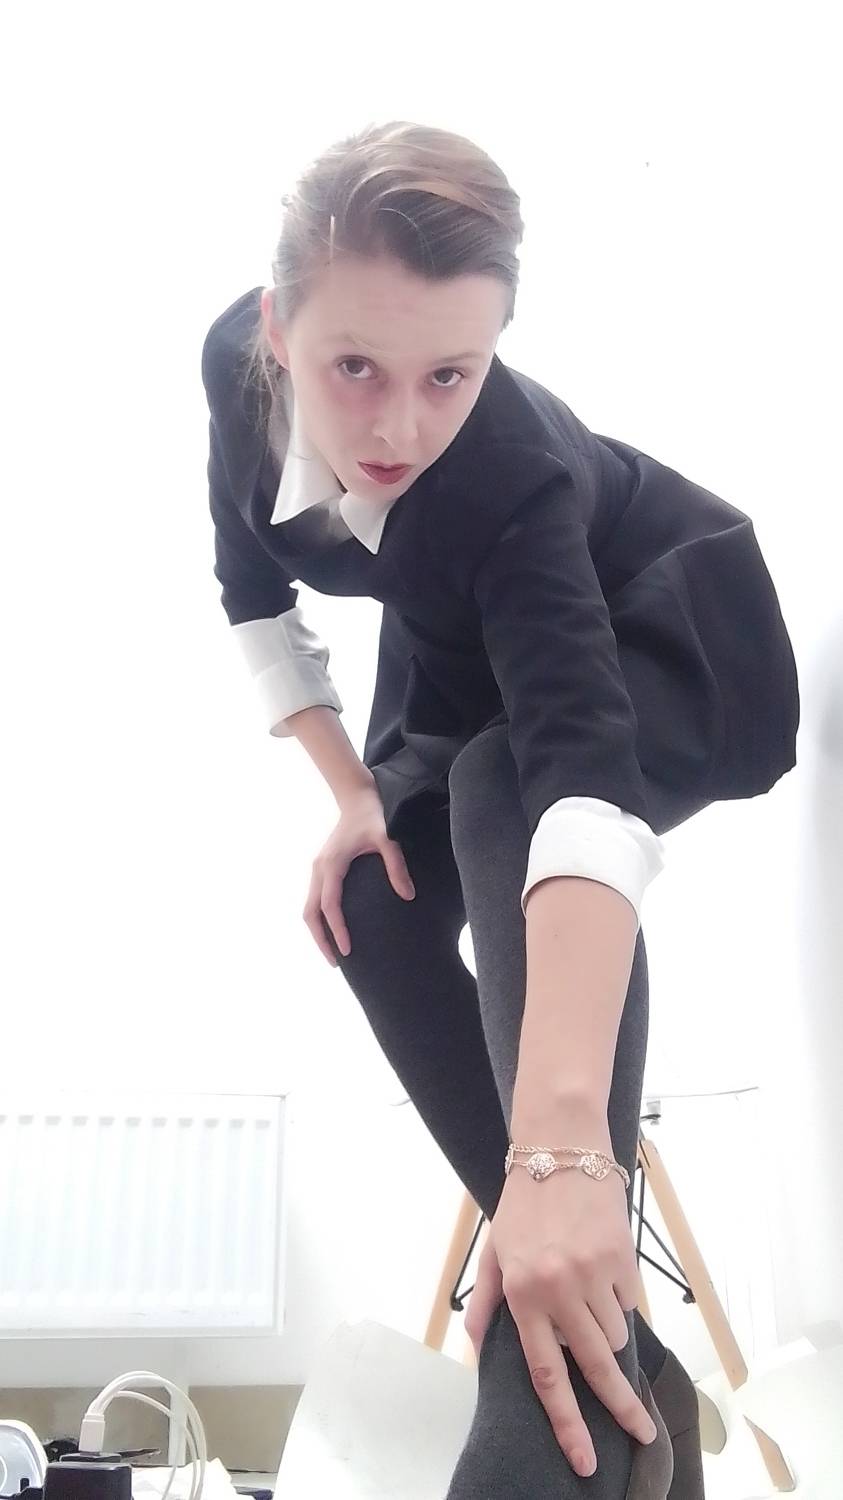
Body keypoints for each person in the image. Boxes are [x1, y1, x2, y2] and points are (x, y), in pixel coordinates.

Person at [200, 120, 799, 1499]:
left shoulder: (512, 473)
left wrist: (565, 1155)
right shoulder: (234, 372)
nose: (400, 429)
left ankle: (563, 1340)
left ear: (495, 351)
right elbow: (251, 592)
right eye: (355, 367)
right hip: (460, 660)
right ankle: (614, 1338)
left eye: (450, 375)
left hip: (667, 625)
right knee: (367, 897)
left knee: (502, 785)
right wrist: (351, 797)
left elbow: (580, 771)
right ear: (279, 328)